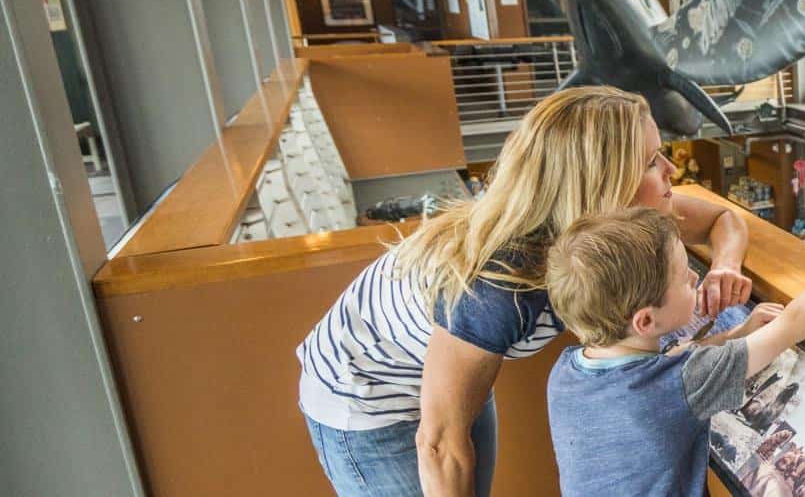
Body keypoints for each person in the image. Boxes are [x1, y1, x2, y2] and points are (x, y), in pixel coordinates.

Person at [295, 87, 752, 497]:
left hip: (442, 371)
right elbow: (439, 442)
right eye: (652, 161)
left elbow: (722, 220)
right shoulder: (498, 285)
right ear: (603, 182)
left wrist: (724, 267)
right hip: (367, 397)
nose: (672, 169)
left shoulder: (605, 232)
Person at [542, 206, 805, 496]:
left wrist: (736, 334)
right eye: (683, 276)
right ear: (645, 321)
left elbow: (665, 361)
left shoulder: (566, 372)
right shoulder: (682, 382)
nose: (693, 278)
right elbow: (792, 324)